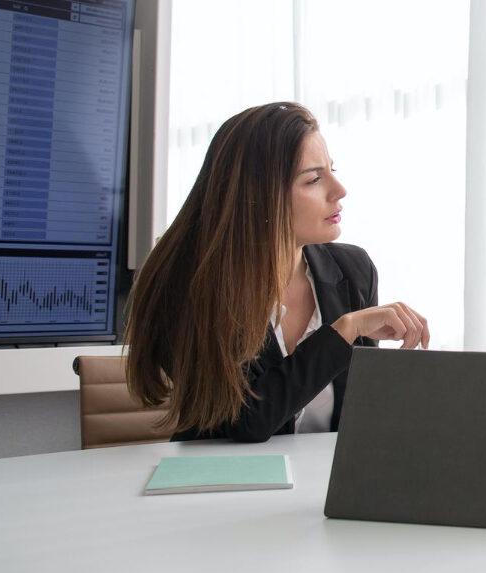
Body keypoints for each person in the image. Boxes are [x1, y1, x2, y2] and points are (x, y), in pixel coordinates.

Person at [124, 102, 429, 442]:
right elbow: (244, 422)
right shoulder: (190, 283)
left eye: (332, 170)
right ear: (258, 196)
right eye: (314, 179)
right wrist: (344, 330)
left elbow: (360, 417)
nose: (339, 190)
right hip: (223, 486)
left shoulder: (353, 270)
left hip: (320, 487)